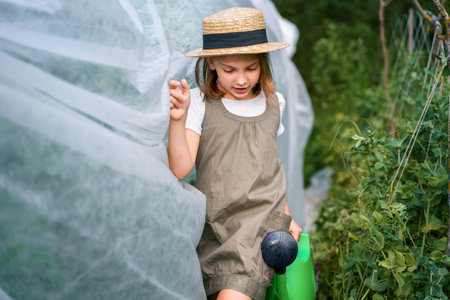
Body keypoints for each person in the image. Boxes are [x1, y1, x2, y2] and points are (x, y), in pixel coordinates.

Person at [167, 7, 302, 300]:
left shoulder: (273, 103)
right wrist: (178, 121)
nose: (241, 80)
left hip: (258, 229)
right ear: (212, 62)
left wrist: (286, 216)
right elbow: (180, 169)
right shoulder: (200, 104)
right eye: (230, 70)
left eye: (251, 68)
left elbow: (269, 167)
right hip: (213, 228)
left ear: (262, 63)